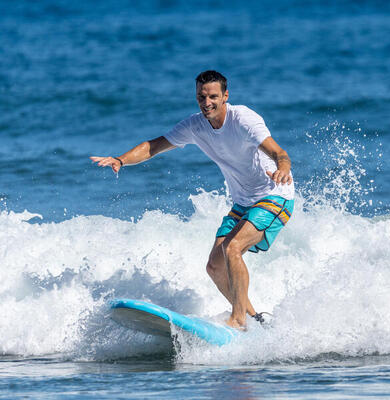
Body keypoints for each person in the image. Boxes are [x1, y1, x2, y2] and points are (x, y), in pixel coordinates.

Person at [91, 70, 294, 329]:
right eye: (201, 96)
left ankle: (238, 319)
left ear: (225, 96)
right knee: (215, 267)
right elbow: (154, 146)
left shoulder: (243, 119)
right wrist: (121, 160)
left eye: (212, 96)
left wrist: (283, 168)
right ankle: (255, 320)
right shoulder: (195, 126)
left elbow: (279, 152)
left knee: (232, 249)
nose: (206, 102)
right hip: (244, 202)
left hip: (274, 195)